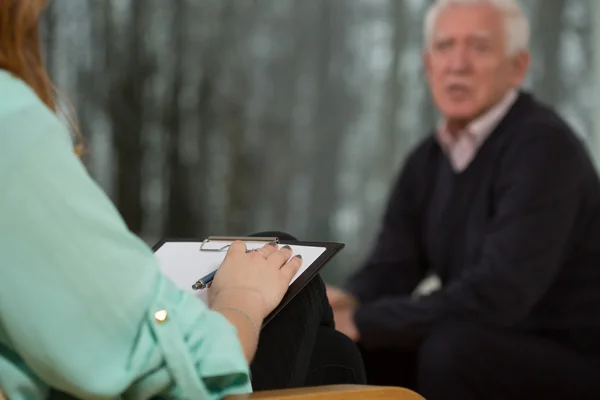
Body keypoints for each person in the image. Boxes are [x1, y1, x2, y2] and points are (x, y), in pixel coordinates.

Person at [0, 1, 365, 399]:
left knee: (331, 351)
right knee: (292, 275)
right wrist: (242, 300)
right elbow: (164, 369)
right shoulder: (11, 122)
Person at [327, 0, 600, 399]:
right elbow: (392, 268)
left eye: (479, 47)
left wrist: (365, 319)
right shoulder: (427, 160)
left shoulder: (543, 148)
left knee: (450, 350)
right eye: (444, 47)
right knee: (350, 350)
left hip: (571, 357)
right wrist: (342, 304)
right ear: (427, 64)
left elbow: (499, 296)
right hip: (488, 338)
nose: (458, 64)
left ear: (518, 67)